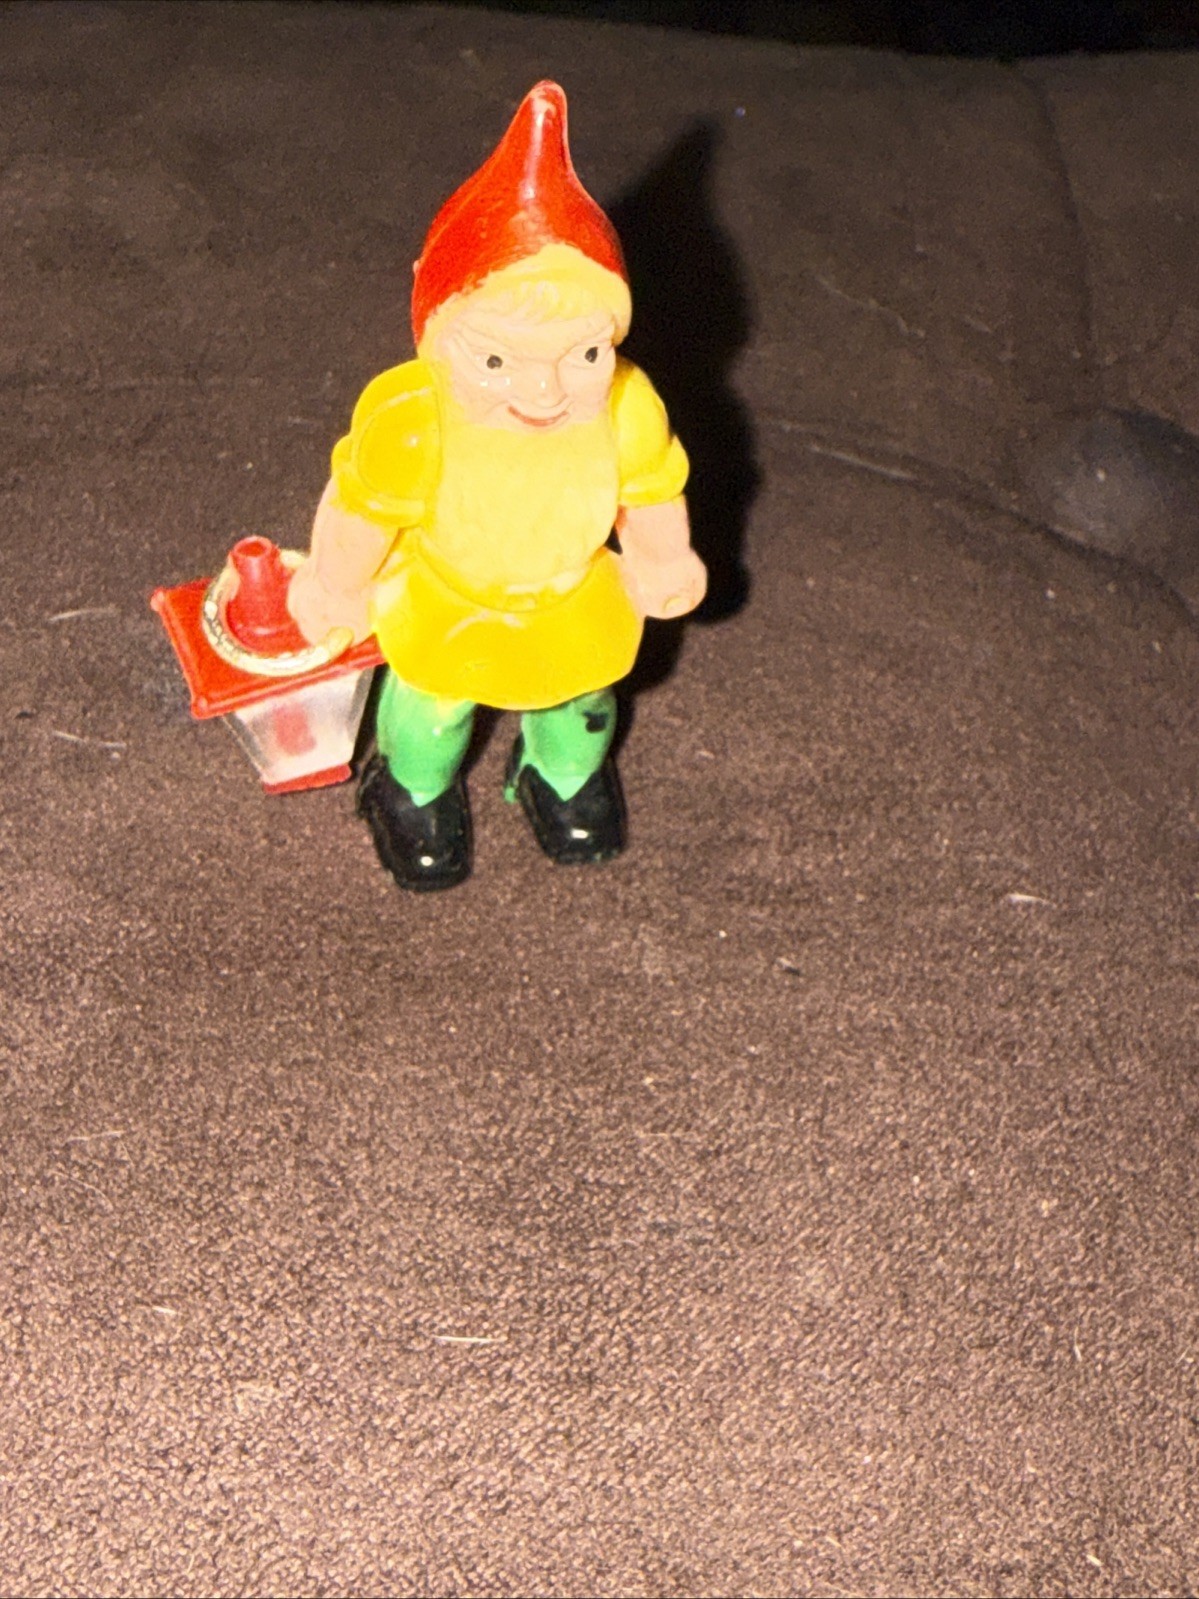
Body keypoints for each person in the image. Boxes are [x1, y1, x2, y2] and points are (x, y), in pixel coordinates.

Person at [287, 81, 706, 890]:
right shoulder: (415, 425)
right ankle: (411, 789)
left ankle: (560, 772)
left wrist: (662, 558)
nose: (543, 392)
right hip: (450, 595)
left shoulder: (625, 409)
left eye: (584, 355)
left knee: (581, 706)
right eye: (495, 359)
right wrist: (335, 584)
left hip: (569, 592)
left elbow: (650, 493)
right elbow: (361, 512)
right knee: (432, 714)